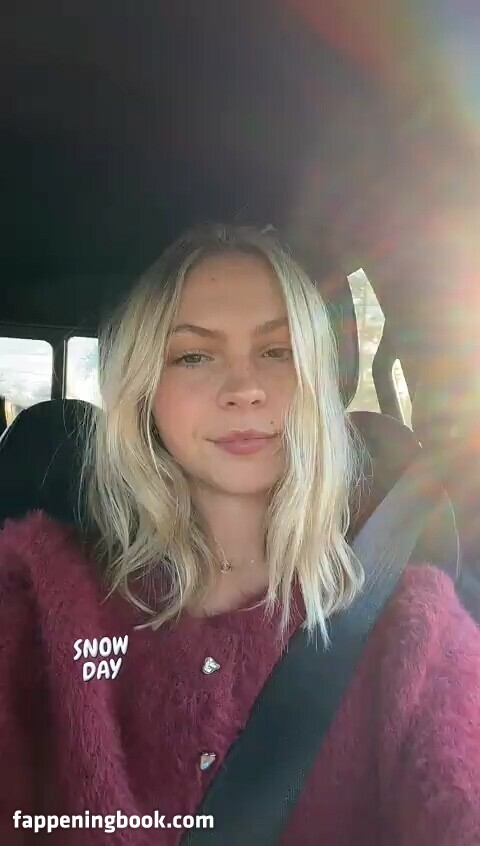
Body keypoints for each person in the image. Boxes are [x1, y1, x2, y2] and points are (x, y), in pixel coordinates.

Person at [0, 223, 479, 846]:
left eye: (277, 352)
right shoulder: (35, 595)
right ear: (146, 391)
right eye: (194, 356)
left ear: (317, 381)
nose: (244, 390)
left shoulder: (411, 624)